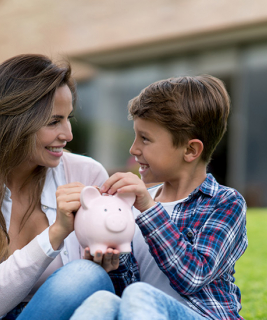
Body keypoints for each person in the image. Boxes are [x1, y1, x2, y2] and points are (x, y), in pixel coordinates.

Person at [71, 75, 248, 319]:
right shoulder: (133, 206)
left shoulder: (226, 203)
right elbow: (127, 291)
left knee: (140, 294)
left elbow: (193, 276)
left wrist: (149, 208)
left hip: (202, 315)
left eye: (145, 138)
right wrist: (112, 264)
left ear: (190, 150)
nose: (133, 149)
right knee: (103, 300)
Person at [0, 54, 119, 320]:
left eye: (69, 118)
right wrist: (56, 233)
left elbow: (100, 284)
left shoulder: (86, 173)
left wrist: (105, 264)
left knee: (87, 277)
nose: (67, 134)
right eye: (54, 121)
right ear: (14, 122)